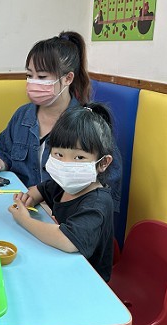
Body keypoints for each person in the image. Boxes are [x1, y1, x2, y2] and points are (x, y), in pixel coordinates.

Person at [0, 31, 122, 212]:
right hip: (21, 208)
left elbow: (108, 184)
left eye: (42, 77)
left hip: (65, 219)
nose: (33, 83)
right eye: (29, 75)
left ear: (67, 78)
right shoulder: (22, 116)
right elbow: (3, 151)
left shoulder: (87, 123)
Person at [8, 102, 116, 281]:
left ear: (103, 163)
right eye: (59, 154)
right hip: (58, 264)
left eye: (79, 157)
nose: (66, 164)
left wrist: (25, 220)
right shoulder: (62, 184)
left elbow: (68, 241)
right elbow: (39, 191)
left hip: (86, 279)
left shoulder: (97, 202)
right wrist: (28, 199)